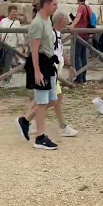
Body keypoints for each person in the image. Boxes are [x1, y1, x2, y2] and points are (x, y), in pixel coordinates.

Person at [19, 11, 78, 139]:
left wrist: (70, 66)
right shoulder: (50, 34)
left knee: (48, 100)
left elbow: (60, 53)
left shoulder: (57, 34)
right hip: (49, 71)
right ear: (61, 21)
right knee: (52, 100)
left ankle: (29, 121)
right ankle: (29, 120)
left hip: (53, 72)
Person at [17, 0, 60, 150]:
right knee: (42, 103)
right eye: (55, 4)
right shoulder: (37, 24)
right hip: (40, 63)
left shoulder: (47, 20)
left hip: (48, 62)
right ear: (46, 4)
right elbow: (34, 50)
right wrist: (37, 71)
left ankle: (25, 120)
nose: (57, 7)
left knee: (52, 100)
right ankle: (40, 137)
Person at [0, 4, 24, 86]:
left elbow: (20, 34)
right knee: (2, 61)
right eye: (13, 11)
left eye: (16, 11)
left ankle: (5, 80)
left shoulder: (17, 22)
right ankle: (3, 76)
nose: (15, 13)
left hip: (12, 45)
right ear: (9, 12)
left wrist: (22, 44)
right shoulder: (3, 21)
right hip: (3, 44)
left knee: (7, 62)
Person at [71, 0, 93, 84]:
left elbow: (78, 17)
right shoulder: (89, 7)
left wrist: (72, 25)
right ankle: (83, 76)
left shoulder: (81, 7)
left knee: (77, 56)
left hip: (79, 34)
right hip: (86, 34)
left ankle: (79, 77)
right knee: (84, 56)